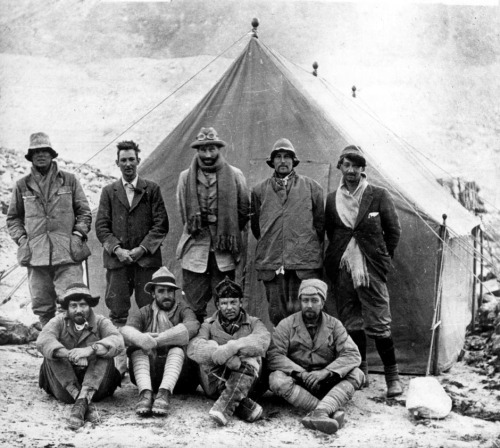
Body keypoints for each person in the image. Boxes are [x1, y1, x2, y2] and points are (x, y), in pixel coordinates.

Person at [324, 145, 403, 397]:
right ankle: (362, 372)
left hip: (370, 268)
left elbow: (393, 231)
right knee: (352, 321)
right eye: (346, 165)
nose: (351, 171)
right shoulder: (331, 198)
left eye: (356, 166)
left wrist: (379, 258)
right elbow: (332, 232)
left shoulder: (378, 195)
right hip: (343, 268)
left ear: (362, 169)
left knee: (379, 322)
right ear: (340, 167)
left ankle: (392, 378)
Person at [7, 132, 92, 327]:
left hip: (68, 253)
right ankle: (50, 352)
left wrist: (77, 236)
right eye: (36, 151)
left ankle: (72, 351)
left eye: (44, 150)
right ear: (30, 156)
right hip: (36, 255)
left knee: (72, 302)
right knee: (43, 307)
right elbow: (13, 218)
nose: (41, 155)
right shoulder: (22, 185)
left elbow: (85, 212)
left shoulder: (69, 180)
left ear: (52, 154)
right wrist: (22, 240)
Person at [267, 279, 364, 435]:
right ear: (300, 302)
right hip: (299, 381)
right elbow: (274, 355)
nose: (309, 305)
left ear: (322, 302)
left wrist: (325, 372)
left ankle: (320, 412)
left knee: (357, 374)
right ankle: (323, 410)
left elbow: (352, 354)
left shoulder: (335, 325)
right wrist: (301, 373)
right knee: (275, 379)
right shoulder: (286, 324)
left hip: (327, 381)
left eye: (314, 300)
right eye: (305, 300)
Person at [176, 127, 250, 323]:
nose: (207, 155)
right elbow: (184, 212)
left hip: (223, 253)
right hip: (195, 252)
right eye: (202, 149)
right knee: (193, 307)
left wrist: (227, 230)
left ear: (219, 149)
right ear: (197, 151)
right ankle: (194, 348)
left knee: (226, 304)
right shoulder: (186, 177)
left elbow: (243, 211)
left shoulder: (235, 175)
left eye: (212, 149)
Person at [250, 138, 325, 326]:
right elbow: (257, 227)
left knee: (305, 309)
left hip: (303, 261)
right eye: (278, 157)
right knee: (277, 312)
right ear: (272, 162)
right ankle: (283, 351)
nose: (283, 161)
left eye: (287, 157)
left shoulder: (312, 187)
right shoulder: (259, 191)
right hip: (272, 261)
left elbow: (320, 224)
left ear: (294, 161)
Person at [95, 140, 169, 328]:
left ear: (138, 161)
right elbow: (102, 227)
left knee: (150, 308)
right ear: (117, 163)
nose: (128, 164)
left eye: (131, 159)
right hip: (118, 262)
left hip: (146, 262)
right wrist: (117, 250)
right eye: (123, 160)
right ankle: (119, 351)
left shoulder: (152, 190)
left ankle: (149, 351)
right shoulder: (108, 192)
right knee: (117, 310)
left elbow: (161, 225)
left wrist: (142, 249)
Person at [36, 283, 124, 430]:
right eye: (73, 306)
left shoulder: (101, 321)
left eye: (83, 305)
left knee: (104, 352)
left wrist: (91, 350)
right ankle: (81, 400)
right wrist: (70, 354)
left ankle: (82, 400)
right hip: (64, 388)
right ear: (67, 308)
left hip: (98, 386)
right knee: (51, 353)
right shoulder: (58, 321)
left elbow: (118, 340)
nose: (78, 310)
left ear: (89, 306)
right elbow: (42, 341)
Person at [187, 277, 270, 426]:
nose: (229, 307)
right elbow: (194, 347)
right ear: (218, 305)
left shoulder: (253, 322)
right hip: (216, 381)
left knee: (253, 358)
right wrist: (223, 355)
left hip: (249, 383)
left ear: (241, 303)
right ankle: (243, 404)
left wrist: (232, 347)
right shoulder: (208, 325)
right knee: (209, 347)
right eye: (224, 303)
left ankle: (223, 408)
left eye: (233, 302)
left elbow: (263, 341)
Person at [120, 267, 200, 416]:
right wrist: (142, 339)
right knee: (138, 349)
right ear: (152, 293)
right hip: (149, 375)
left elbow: (192, 326)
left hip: (180, 378)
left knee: (177, 348)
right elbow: (125, 332)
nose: (167, 295)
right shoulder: (144, 312)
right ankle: (145, 393)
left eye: (170, 291)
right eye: (161, 291)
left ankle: (164, 393)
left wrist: (157, 341)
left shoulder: (183, 310)